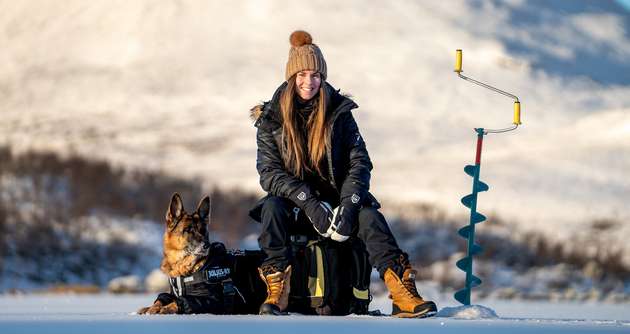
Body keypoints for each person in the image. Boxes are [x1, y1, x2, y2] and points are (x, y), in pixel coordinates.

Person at [249, 30, 437, 318]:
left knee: (370, 217)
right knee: (272, 207)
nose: (308, 82)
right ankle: (278, 292)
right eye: (301, 74)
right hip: (297, 207)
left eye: (315, 75)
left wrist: (349, 205)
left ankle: (402, 293)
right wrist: (309, 202)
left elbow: (359, 162)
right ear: (291, 77)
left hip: (338, 206)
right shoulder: (271, 118)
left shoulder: (340, 112)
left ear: (323, 77)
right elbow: (269, 173)